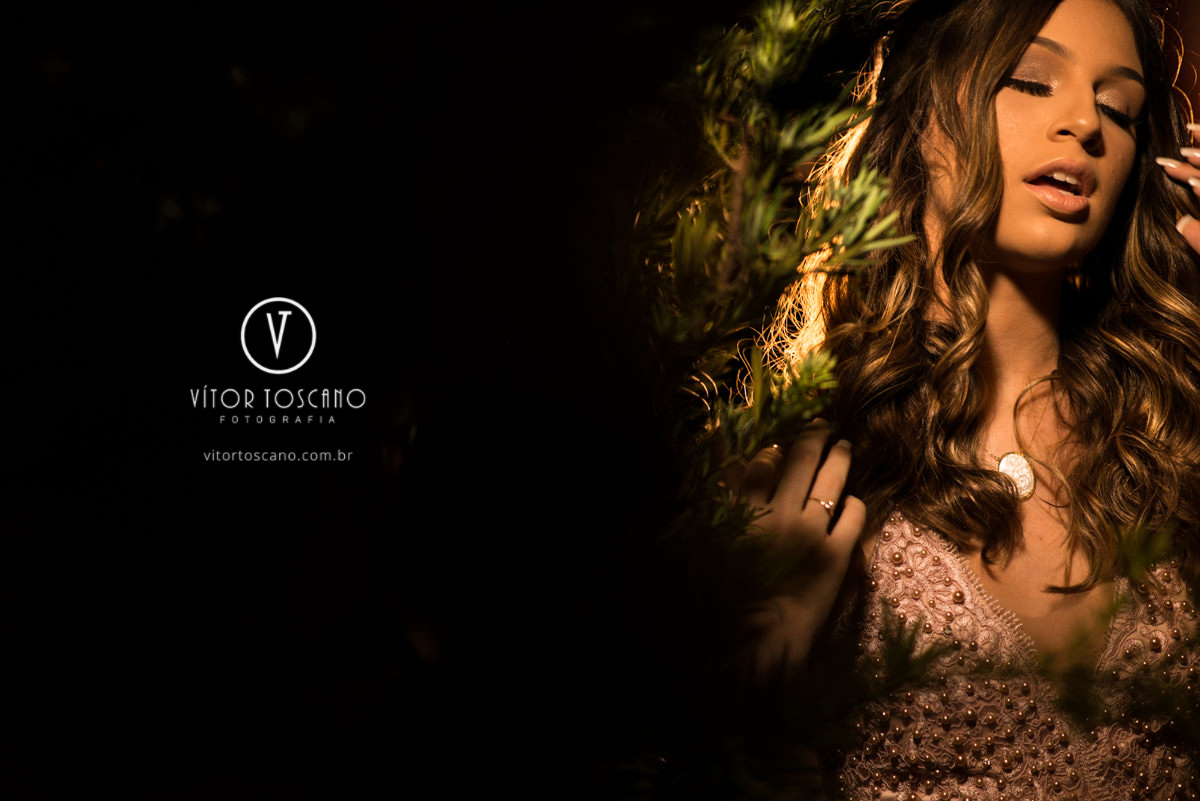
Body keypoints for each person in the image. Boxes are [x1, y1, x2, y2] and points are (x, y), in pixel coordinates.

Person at [739, 0, 1200, 798]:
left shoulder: (1173, 433)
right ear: (920, 113)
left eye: (1119, 109)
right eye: (1032, 80)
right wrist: (756, 681)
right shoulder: (813, 468)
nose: (1085, 124)